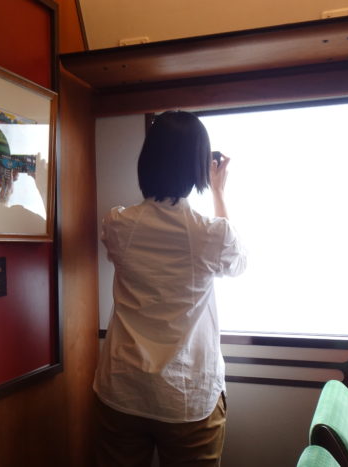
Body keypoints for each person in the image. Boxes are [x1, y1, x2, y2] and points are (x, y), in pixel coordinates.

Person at [93, 110, 247, 467]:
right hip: (187, 397)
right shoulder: (210, 233)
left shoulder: (117, 224)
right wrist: (218, 191)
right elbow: (237, 263)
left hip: (122, 389)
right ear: (198, 165)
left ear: (148, 159)